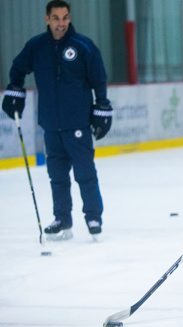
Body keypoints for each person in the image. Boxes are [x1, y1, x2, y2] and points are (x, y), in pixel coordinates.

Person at [2, 0, 113, 241]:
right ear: (47, 19)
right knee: (57, 177)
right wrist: (15, 89)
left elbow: (98, 79)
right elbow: (18, 68)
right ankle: (62, 219)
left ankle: (93, 217)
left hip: (78, 124)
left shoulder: (83, 46)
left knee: (85, 174)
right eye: (56, 18)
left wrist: (102, 106)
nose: (61, 23)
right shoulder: (37, 46)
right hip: (50, 125)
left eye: (65, 18)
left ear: (69, 18)